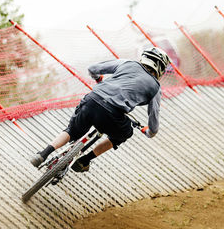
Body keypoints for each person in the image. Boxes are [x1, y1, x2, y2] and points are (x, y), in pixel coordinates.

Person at [30, 47, 170, 172]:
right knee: (125, 133)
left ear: (143, 57)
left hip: (92, 99)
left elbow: (92, 69)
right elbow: (154, 121)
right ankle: (84, 161)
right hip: (112, 114)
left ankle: (43, 154)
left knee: (72, 131)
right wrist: (149, 132)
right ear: (160, 68)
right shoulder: (155, 87)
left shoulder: (126, 63)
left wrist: (98, 79)